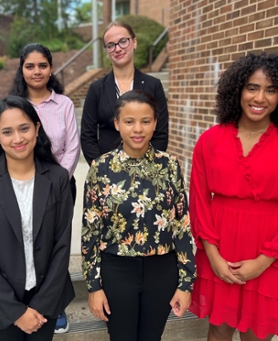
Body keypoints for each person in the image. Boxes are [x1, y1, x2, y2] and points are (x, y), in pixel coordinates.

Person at [189, 52, 278, 341]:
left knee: (258, 333)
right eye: (253, 88)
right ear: (238, 90)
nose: (260, 98)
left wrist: (264, 260)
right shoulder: (210, 140)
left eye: (271, 90)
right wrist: (213, 254)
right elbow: (198, 199)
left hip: (269, 250)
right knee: (218, 329)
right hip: (219, 244)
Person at [81, 90, 196, 341]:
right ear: (117, 124)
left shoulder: (170, 165)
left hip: (161, 271)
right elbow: (90, 231)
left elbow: (182, 226)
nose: (138, 129)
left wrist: (185, 283)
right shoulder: (100, 168)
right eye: (129, 121)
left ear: (155, 123)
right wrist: (93, 286)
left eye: (145, 121)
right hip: (116, 270)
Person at [0, 96, 75, 341]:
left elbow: (62, 245)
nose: (17, 138)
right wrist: (16, 312)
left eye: (24, 128)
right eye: (7, 131)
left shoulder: (57, 178)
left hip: (45, 300)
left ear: (37, 128)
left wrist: (41, 305)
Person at [10, 43, 80, 333]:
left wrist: (55, 183)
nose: (36, 71)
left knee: (56, 246)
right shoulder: (14, 104)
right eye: (30, 66)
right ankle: (22, 303)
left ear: (51, 68)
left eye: (42, 65)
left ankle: (55, 306)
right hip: (21, 187)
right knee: (26, 244)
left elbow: (73, 148)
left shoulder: (64, 104)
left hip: (61, 187)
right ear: (22, 69)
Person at [80, 21, 169, 165]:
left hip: (146, 171)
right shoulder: (96, 88)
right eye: (111, 45)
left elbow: (161, 134)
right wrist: (101, 169)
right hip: (106, 174)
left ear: (134, 42)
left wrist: (146, 168)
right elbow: (87, 136)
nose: (117, 48)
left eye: (123, 41)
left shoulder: (153, 85)